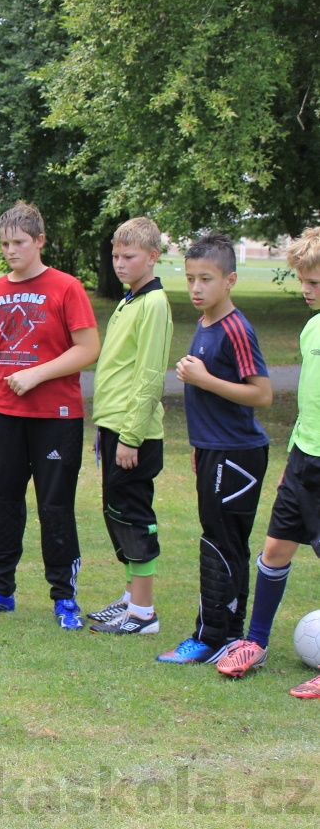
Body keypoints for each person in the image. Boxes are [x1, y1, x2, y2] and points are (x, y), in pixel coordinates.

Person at [0, 201, 100, 630]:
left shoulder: (67, 287)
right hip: (3, 414)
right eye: (4, 244)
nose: (11, 251)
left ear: (39, 241)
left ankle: (64, 598)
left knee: (55, 507)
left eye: (19, 242)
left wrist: (36, 374)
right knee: (2, 503)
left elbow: (88, 348)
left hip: (56, 416)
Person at [215, 226, 320, 696]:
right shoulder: (312, 327)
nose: (306, 290)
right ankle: (254, 642)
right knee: (275, 550)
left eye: (314, 283)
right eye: (303, 281)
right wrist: (295, 457)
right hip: (304, 460)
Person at [158, 234, 271, 663]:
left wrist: (204, 379)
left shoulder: (236, 329)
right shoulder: (205, 324)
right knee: (222, 542)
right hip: (213, 450)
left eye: (206, 278)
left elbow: (261, 395)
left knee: (222, 543)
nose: (196, 288)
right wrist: (199, 446)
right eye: (190, 279)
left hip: (238, 455)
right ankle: (228, 635)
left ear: (230, 280)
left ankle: (210, 636)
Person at [87, 218, 174, 635]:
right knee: (116, 513)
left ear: (152, 257)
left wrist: (130, 435)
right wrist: (105, 426)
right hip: (114, 428)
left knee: (134, 515)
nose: (119, 263)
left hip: (134, 435)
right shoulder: (130, 300)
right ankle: (130, 599)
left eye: (129, 257)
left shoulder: (155, 304)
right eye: (116, 256)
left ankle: (144, 613)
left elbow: (149, 376)